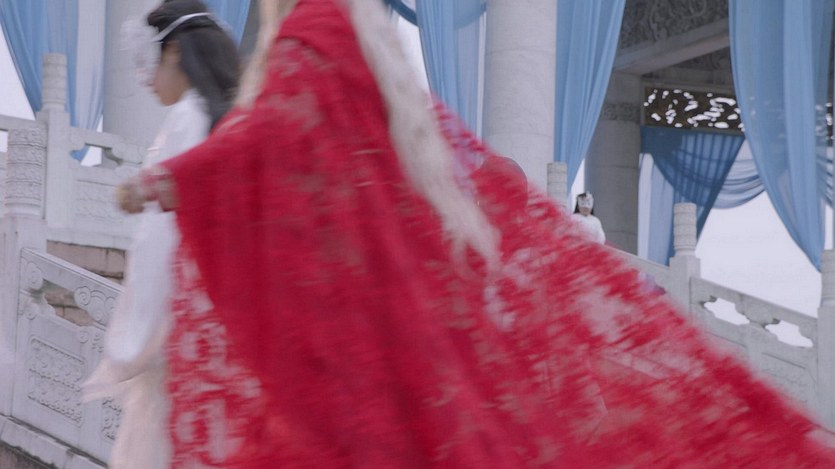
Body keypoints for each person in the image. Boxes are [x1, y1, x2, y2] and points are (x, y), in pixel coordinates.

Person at [115, 0, 835, 466]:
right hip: (378, 305)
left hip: (359, 317)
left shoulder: (316, 25)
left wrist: (162, 181)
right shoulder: (337, 28)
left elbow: (275, 134)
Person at [83, 2, 242, 468]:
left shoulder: (189, 119)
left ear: (173, 51)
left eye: (146, 61)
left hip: (184, 336)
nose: (144, 79)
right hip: (227, 330)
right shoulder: (230, 122)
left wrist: (133, 343)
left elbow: (162, 242)